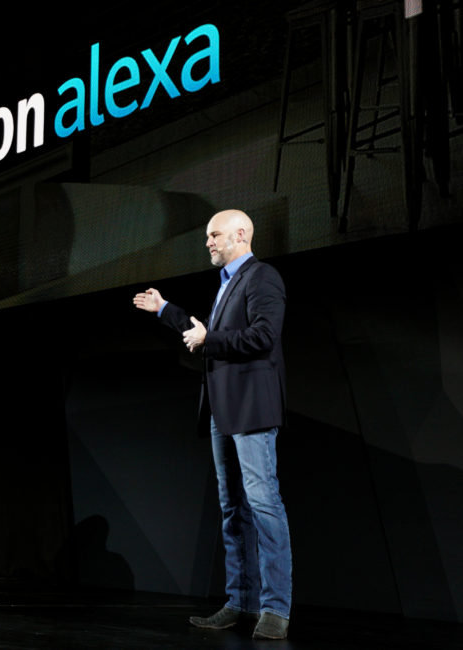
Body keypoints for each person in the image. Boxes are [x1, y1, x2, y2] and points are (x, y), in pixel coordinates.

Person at [132, 209, 291, 640]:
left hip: (252, 410)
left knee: (264, 505)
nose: (208, 242)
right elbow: (205, 335)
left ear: (241, 234)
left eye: (214, 235)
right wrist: (166, 309)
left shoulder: (261, 278)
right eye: (207, 236)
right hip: (222, 411)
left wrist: (209, 339)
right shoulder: (225, 286)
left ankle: (275, 609)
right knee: (232, 510)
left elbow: (262, 337)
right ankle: (239, 602)